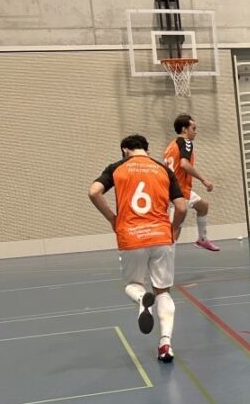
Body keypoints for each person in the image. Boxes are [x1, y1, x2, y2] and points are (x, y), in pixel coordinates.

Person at [89, 134, 187, 363]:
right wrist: (172, 229)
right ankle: (165, 345)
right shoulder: (163, 169)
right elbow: (181, 207)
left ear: (125, 150)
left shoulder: (117, 168)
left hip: (131, 236)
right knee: (163, 291)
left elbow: (93, 191)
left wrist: (112, 218)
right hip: (161, 236)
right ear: (147, 150)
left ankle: (142, 298)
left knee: (133, 285)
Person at [163, 113, 220, 251]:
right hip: (180, 192)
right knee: (175, 229)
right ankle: (165, 256)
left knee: (203, 206)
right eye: (193, 128)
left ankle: (202, 239)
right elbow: (184, 164)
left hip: (174, 189)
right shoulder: (186, 142)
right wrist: (204, 180)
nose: (195, 132)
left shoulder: (170, 146)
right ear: (184, 129)